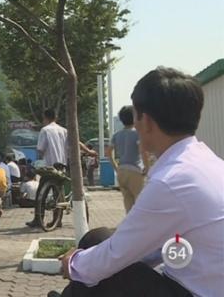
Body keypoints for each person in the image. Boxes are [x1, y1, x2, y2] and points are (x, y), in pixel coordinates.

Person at [53, 67, 224, 297]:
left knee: (101, 267)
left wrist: (72, 263)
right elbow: (147, 248)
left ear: (147, 121)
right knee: (98, 240)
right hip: (197, 278)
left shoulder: (171, 181)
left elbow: (116, 254)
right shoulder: (204, 161)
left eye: (136, 115)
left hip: (196, 291)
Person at [27, 110, 96, 227]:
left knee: (41, 193)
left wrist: (39, 157)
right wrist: (89, 151)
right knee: (58, 193)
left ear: (45, 117)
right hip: (62, 166)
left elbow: (40, 149)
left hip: (49, 166)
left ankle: (38, 219)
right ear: (56, 117)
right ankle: (57, 220)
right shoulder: (64, 130)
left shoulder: (45, 130)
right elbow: (77, 142)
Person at [107, 106, 150, 213]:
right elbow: (143, 151)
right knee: (140, 202)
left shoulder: (116, 135)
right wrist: (147, 167)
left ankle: (131, 226)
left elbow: (108, 152)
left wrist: (116, 167)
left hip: (121, 170)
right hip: (135, 170)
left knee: (128, 203)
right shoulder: (137, 134)